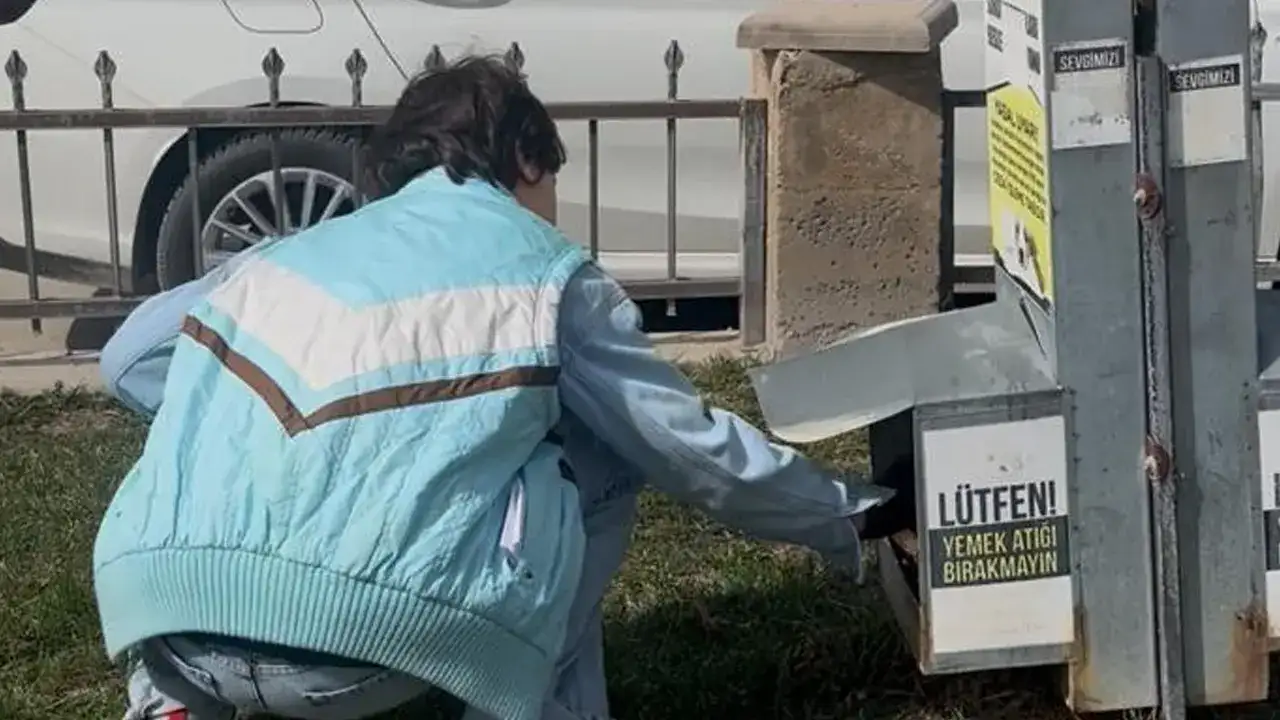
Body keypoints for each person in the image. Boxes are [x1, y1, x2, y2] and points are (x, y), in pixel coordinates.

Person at [93, 54, 915, 720]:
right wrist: (855, 512)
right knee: (603, 445)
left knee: (218, 401)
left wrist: (273, 431)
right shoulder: (544, 275)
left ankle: (169, 706)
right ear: (526, 159)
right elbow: (686, 447)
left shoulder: (288, 254)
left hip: (168, 617)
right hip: (368, 651)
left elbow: (130, 360)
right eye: (551, 179)